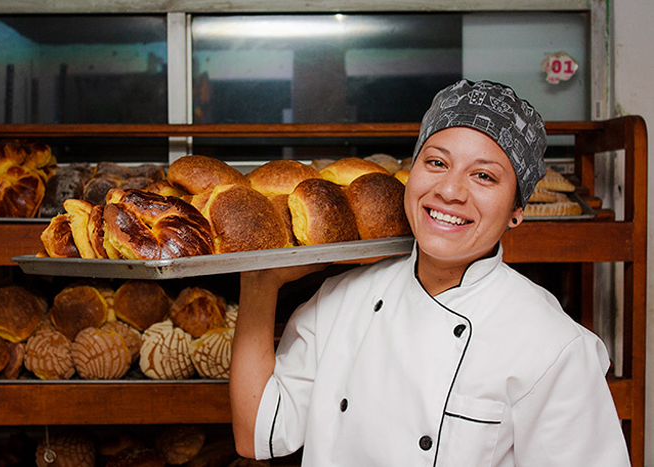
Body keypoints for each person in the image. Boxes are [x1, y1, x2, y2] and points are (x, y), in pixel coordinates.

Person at [229, 79, 631, 466]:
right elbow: (257, 434)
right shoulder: (341, 301)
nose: (450, 190)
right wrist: (260, 279)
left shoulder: (553, 346)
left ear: (516, 212)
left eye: (484, 176)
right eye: (436, 162)